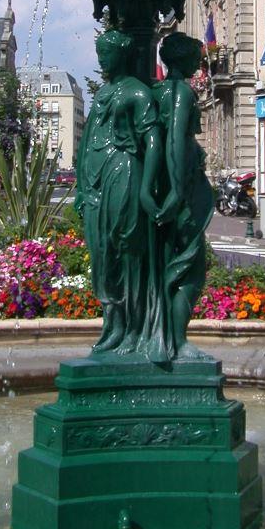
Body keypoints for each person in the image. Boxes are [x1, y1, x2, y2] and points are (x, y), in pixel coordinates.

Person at [75, 29, 162, 357]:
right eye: (99, 53)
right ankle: (111, 321)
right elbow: (86, 141)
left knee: (124, 248)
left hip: (123, 171)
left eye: (105, 53)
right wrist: (81, 187)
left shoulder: (138, 93)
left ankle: (132, 326)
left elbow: (152, 141)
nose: (101, 59)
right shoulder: (103, 93)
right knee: (100, 251)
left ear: (121, 55)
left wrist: (145, 189)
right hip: (96, 178)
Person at [152, 33, 215, 361]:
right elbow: (176, 139)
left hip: (164, 182)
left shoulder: (158, 90)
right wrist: (178, 189)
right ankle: (175, 340)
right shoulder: (181, 93)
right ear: (182, 59)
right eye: (195, 56)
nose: (199, 62)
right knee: (190, 265)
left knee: (166, 262)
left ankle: (161, 335)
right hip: (182, 187)